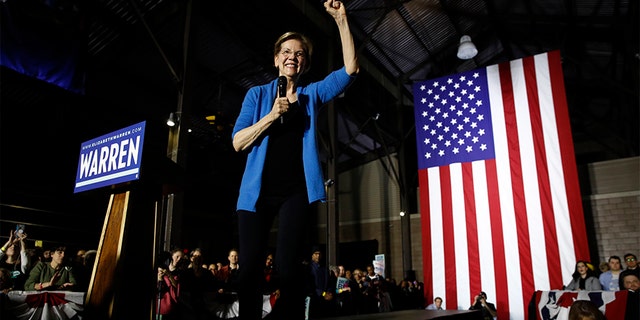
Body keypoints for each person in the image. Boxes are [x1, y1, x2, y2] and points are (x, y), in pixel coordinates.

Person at [230, 0, 358, 319]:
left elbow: (351, 70)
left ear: (305, 64)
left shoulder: (312, 94)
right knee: (249, 272)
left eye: (299, 53)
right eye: (286, 51)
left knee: (287, 272)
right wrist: (271, 117)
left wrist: (342, 20)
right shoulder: (257, 96)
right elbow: (237, 142)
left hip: (295, 193)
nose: (292, 56)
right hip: (255, 195)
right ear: (276, 59)